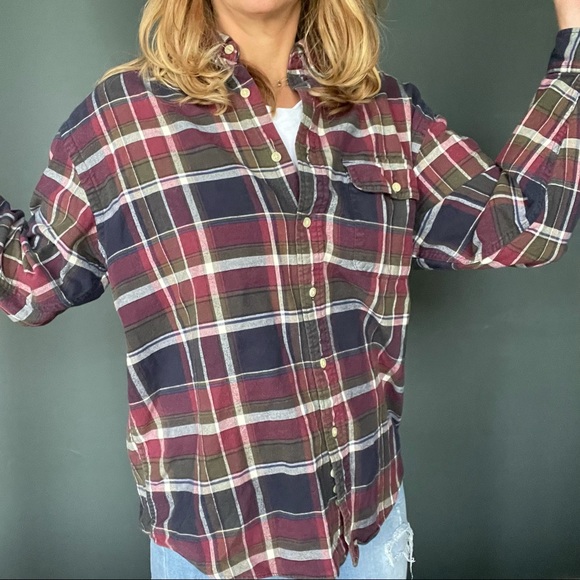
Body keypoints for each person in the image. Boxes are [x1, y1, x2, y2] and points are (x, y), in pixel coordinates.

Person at [1, 0, 579, 578]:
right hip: (216, 551)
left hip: (367, 539)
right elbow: (29, 282)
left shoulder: (388, 116)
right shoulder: (120, 122)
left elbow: (525, 224)